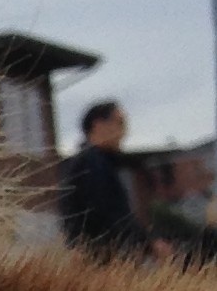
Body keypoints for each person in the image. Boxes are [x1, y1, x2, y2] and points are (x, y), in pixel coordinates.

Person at [59, 102, 170, 262]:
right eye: (119, 123)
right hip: (100, 259)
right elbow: (110, 213)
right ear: (98, 125)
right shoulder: (92, 163)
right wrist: (149, 243)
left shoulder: (89, 162)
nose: (124, 132)